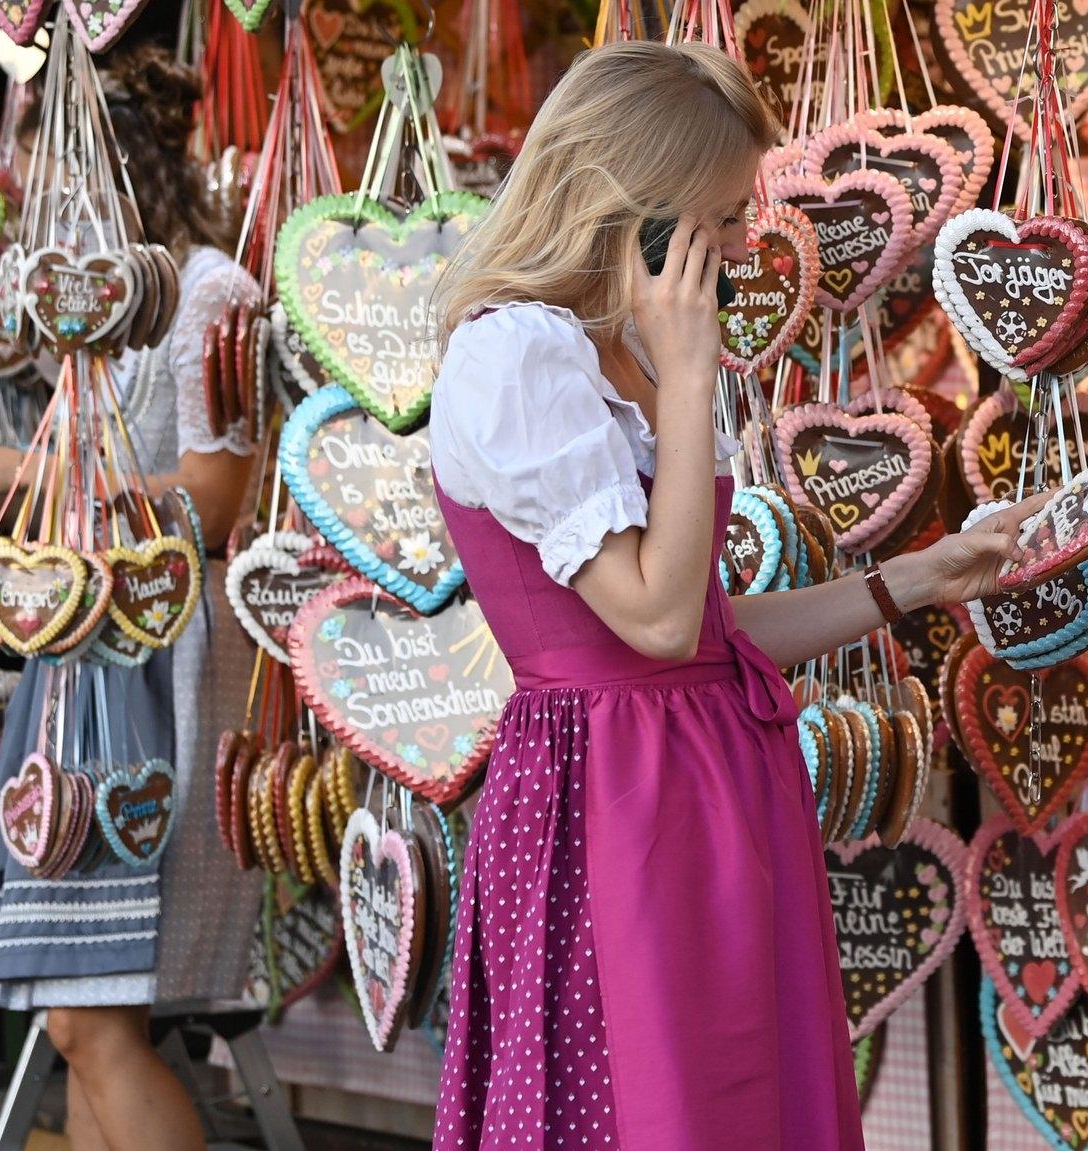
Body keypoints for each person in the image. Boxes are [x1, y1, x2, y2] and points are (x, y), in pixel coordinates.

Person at [430, 42, 1034, 1149]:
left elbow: (701, 636)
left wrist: (922, 578)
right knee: (651, 1109)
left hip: (702, 780)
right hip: (609, 801)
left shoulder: (624, 356)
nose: (742, 244)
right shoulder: (517, 358)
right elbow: (655, 622)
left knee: (739, 1104)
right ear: (633, 211)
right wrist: (694, 372)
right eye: (718, 217)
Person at [0, 43, 263, 1151]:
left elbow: (215, 493)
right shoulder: (92, 307)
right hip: (81, 668)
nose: (37, 191)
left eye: (49, 158)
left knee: (90, 1013)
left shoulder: (205, 294)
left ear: (114, 160)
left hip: (164, 660)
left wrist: (17, 478)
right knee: (78, 1014)